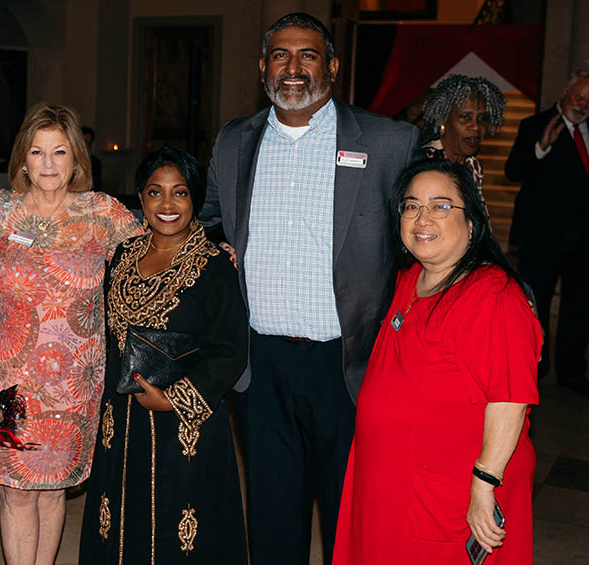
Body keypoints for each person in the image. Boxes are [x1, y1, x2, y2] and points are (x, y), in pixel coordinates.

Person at [197, 12, 421, 564]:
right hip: (260, 365)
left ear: (333, 67)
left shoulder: (390, 143)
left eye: (308, 56)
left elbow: (425, 236)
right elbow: (199, 224)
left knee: (351, 517)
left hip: (349, 365)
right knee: (272, 517)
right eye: (280, 56)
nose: (293, 69)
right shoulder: (234, 143)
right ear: (262, 67)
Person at [333, 159, 539, 564]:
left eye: (441, 206)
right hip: (389, 480)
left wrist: (484, 484)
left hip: (445, 492)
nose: (422, 218)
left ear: (472, 222)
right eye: (411, 206)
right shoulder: (413, 277)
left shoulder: (495, 297)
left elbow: (510, 400)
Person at [0, 103, 140, 563]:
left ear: (77, 158)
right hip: (8, 381)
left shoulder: (102, 214)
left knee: (54, 492)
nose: (48, 164)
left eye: (59, 152)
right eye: (37, 152)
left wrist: (211, 252)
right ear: (22, 159)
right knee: (14, 492)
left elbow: (158, 251)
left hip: (74, 385)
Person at [80, 146, 249, 564]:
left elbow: (230, 351)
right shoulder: (121, 257)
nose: (168, 205)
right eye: (156, 193)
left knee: (180, 524)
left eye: (180, 193)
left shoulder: (214, 267)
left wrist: (175, 399)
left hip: (185, 427)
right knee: (118, 518)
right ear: (141, 198)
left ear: (195, 199)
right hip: (120, 420)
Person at [507, 69, 589, 396]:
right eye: (579, 97)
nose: (583, 105)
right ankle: (535, 370)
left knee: (579, 308)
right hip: (542, 239)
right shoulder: (535, 125)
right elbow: (513, 171)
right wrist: (541, 148)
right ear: (565, 93)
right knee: (536, 306)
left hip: (583, 242)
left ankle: (572, 372)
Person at [420, 74, 505, 198]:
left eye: (482, 119)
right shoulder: (425, 162)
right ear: (443, 120)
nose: (476, 126)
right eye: (465, 117)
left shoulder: (472, 165)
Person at [82, 125, 103, 190]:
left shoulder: (95, 161)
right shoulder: (69, 159)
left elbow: (97, 184)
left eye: (89, 141)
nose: (86, 144)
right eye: (84, 141)